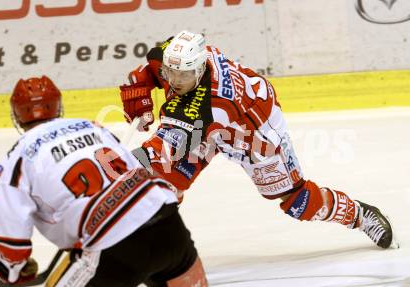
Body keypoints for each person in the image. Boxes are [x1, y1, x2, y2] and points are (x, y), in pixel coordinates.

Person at [118, 30, 398, 249]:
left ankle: (360, 215)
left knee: (297, 202)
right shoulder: (181, 58)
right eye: (172, 73)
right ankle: (153, 238)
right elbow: (147, 72)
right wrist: (139, 98)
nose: (176, 81)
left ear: (201, 69)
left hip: (254, 135)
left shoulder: (208, 105)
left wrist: (116, 163)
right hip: (208, 126)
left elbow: (160, 151)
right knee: (166, 179)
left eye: (185, 75)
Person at [0, 75, 208, 287]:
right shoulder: (93, 127)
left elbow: (12, 244)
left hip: (112, 248)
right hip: (165, 222)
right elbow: (136, 170)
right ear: (58, 106)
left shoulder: (14, 160)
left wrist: (12, 270)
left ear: (17, 116)